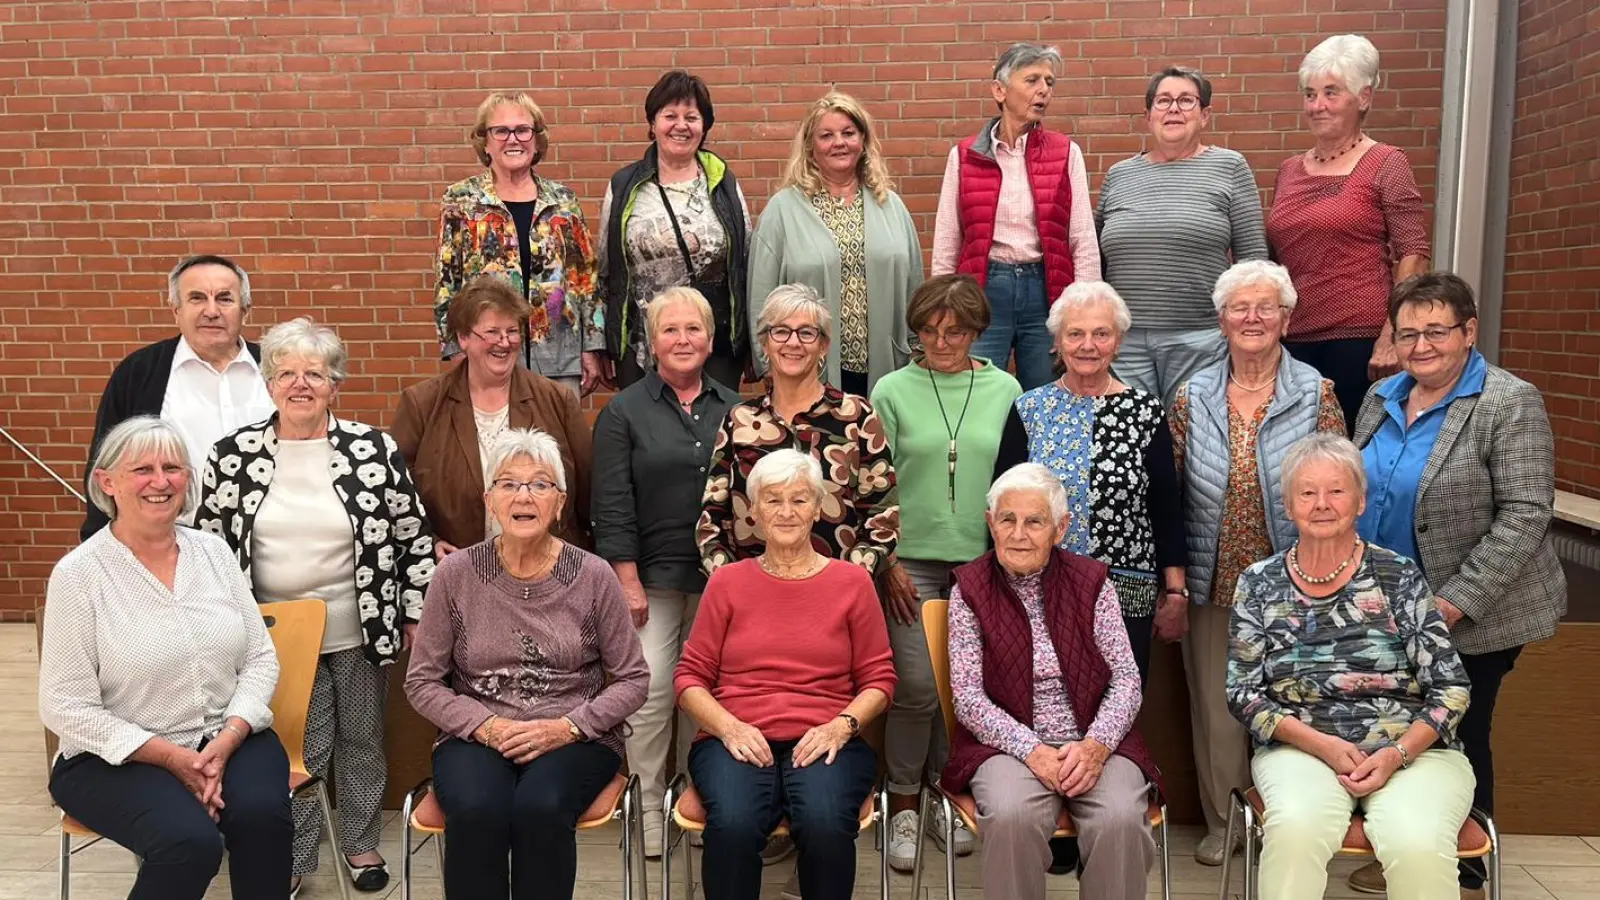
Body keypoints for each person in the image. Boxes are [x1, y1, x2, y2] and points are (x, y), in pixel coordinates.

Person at [196, 318, 435, 896]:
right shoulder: (233, 454)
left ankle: (357, 840)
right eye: (286, 373)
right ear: (269, 383)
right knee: (293, 747)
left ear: (335, 384)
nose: (299, 384)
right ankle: (295, 855)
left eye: (314, 374)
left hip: (360, 625)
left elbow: (412, 534)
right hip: (268, 637)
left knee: (360, 737)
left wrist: (411, 611)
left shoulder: (372, 448)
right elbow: (206, 544)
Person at [1348, 273, 1566, 899]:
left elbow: (1526, 513)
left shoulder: (1508, 401)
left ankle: (1463, 869)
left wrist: (1454, 604)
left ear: (1469, 332)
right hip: (1390, 608)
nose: (1421, 346)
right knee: (1402, 729)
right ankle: (1407, 853)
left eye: (1436, 331)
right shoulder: (1382, 395)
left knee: (1459, 736)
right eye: (1408, 333)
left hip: (1475, 612)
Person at [696, 284, 904, 883]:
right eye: (780, 332)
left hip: (838, 612)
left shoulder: (855, 415)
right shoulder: (740, 420)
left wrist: (839, 587)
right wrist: (740, 586)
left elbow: (882, 514)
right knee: (743, 810)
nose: (793, 343)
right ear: (764, 344)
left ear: (824, 345)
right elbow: (713, 517)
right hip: (749, 610)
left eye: (806, 332)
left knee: (821, 805)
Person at [41, 416, 289, 900]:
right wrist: (175, 758)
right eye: (143, 469)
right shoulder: (79, 575)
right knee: (187, 842)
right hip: (115, 757)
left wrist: (229, 738)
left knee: (263, 817)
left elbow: (261, 657)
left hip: (228, 736)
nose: (161, 481)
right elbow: (64, 705)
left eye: (173, 467)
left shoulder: (214, 553)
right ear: (106, 482)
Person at [1227, 433, 1474, 900]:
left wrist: (1396, 754)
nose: (1322, 503)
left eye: (1337, 490)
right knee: (1296, 830)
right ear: (1288, 504)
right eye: (1307, 491)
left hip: (1412, 754)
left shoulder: (1398, 576)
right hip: (1301, 749)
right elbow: (1243, 694)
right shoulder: (1258, 583)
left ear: (1360, 501)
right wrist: (1323, 745)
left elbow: (1452, 689)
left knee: (1416, 841)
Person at [405, 429, 650, 900]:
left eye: (540, 485)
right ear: (490, 500)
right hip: (477, 733)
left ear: (559, 503)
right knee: (477, 809)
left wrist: (568, 727)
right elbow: (422, 682)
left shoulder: (593, 575)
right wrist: (486, 726)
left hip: (575, 735)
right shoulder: (454, 576)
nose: (523, 496)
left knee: (540, 808)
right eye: (509, 484)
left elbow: (633, 678)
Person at [1166, 260, 1345, 866]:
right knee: (1218, 713)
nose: (1251, 318)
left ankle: (1289, 827)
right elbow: (1174, 487)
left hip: (1299, 582)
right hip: (1212, 580)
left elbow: (1340, 485)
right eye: (1239, 308)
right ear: (1221, 320)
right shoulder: (1191, 395)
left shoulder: (1315, 392)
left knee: (1293, 705)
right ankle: (1226, 822)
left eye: (1265, 307)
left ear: (1286, 318)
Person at [675, 448, 897, 900]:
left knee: (823, 820)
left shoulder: (851, 583)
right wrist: (727, 726)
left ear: (818, 509)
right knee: (734, 824)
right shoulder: (727, 582)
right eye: (773, 500)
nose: (786, 511)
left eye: (799, 500)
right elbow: (689, 678)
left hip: (826, 736)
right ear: (753, 511)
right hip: (735, 736)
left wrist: (842, 726)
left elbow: (880, 679)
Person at [942, 463, 1160, 900]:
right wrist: (1032, 750)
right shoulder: (968, 588)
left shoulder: (1092, 581)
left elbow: (1126, 680)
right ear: (991, 523)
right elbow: (968, 698)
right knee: (1011, 816)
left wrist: (1096, 745)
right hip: (1005, 744)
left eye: (1034, 521)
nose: (1018, 534)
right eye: (1007, 519)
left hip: (1095, 739)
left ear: (1060, 528)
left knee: (1118, 818)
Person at [868, 274, 1021, 870]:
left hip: (984, 566)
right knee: (916, 688)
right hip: (911, 564)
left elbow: (1014, 478)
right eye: (929, 331)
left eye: (955, 331)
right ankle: (903, 803)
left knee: (963, 692)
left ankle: (944, 795)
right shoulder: (892, 389)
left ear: (976, 332)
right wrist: (885, 561)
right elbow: (873, 484)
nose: (941, 342)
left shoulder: (1006, 387)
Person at [591, 286, 743, 858]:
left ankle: (696, 797)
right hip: (649, 579)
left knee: (707, 694)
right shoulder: (623, 411)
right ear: (651, 343)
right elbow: (611, 501)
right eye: (670, 330)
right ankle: (650, 802)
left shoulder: (736, 407)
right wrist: (624, 578)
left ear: (710, 339)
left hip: (721, 581)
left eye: (693, 329)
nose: (683, 339)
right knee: (651, 691)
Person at [996, 281, 1186, 683]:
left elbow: (1166, 507)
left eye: (1101, 334)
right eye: (1075, 333)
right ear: (1057, 342)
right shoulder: (1030, 409)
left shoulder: (1145, 411)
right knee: (1045, 700)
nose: (1088, 345)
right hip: (1039, 586)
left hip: (1126, 587)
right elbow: (1001, 503)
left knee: (1120, 702)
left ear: (1117, 342)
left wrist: (1176, 592)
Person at [1267, 34, 1430, 428]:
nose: (1317, 105)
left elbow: (1414, 253)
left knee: (1352, 457)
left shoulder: (1386, 162)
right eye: (1310, 94)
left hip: (1360, 342)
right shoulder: (1289, 170)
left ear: (1364, 97)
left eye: (1330, 93)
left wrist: (1393, 335)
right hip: (1293, 340)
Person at [932, 42, 1101, 390]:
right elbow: (948, 240)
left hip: (1046, 290)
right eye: (1032, 80)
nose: (1043, 91)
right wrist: (943, 309)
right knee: (977, 390)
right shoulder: (964, 156)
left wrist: (1083, 310)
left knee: (1047, 393)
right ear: (1000, 89)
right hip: (983, 290)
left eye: (1049, 83)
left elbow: (1081, 238)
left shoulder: (1066, 152)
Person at [1097, 67, 1269, 407]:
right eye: (1163, 101)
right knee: (1130, 442)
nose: (1173, 109)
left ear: (1204, 115)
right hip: (1125, 343)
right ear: (1148, 116)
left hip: (1200, 340)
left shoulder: (1230, 167)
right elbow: (1097, 258)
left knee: (1192, 439)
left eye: (1186, 101)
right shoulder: (1119, 175)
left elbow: (1253, 263)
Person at [395, 275, 594, 557]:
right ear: (463, 338)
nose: (505, 342)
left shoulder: (557, 400)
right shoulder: (421, 404)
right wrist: (430, 539)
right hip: (461, 570)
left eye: (512, 331)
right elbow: (397, 493)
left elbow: (588, 491)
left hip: (547, 567)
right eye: (492, 332)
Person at [82, 254, 274, 538]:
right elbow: (106, 466)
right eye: (197, 298)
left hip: (268, 544)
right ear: (175, 309)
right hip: (172, 546)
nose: (212, 311)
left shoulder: (277, 370)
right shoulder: (139, 373)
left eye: (225, 298)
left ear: (245, 309)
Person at [432, 91, 607, 396]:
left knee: (555, 442)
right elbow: (448, 280)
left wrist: (592, 347)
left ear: (536, 139)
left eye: (523, 130)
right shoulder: (461, 201)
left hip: (558, 358)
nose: (513, 139)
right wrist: (455, 347)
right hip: (487, 354)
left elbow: (586, 280)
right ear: (484, 141)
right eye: (501, 131)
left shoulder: (563, 201)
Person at [747, 91, 921, 395]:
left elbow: (915, 287)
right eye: (826, 135)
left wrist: (918, 351)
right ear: (811, 147)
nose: (839, 142)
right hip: (807, 370)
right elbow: (761, 294)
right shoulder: (783, 210)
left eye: (848, 133)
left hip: (889, 368)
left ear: (863, 140)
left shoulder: (891, 206)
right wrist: (767, 363)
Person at [598, 70, 752, 390]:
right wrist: (604, 342)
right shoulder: (624, 186)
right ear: (652, 124)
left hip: (715, 347)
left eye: (691, 117)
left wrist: (750, 343)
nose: (681, 125)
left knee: (712, 433)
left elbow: (745, 265)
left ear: (704, 126)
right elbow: (605, 271)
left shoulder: (724, 183)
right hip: (642, 346)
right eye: (670, 115)